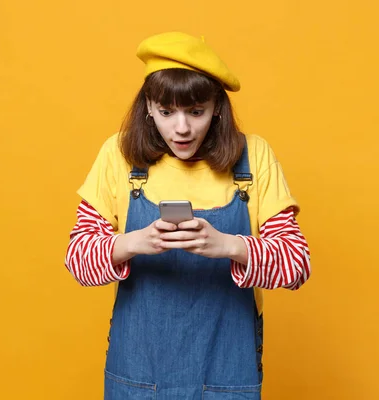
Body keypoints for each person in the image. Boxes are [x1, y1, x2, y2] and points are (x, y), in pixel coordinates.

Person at [65, 32, 311, 400]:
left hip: (227, 375)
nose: (182, 128)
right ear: (148, 106)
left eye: (196, 112)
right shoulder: (119, 156)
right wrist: (133, 242)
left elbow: (296, 265)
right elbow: (77, 260)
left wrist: (229, 245)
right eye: (167, 112)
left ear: (217, 108)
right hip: (138, 376)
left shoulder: (253, 158)